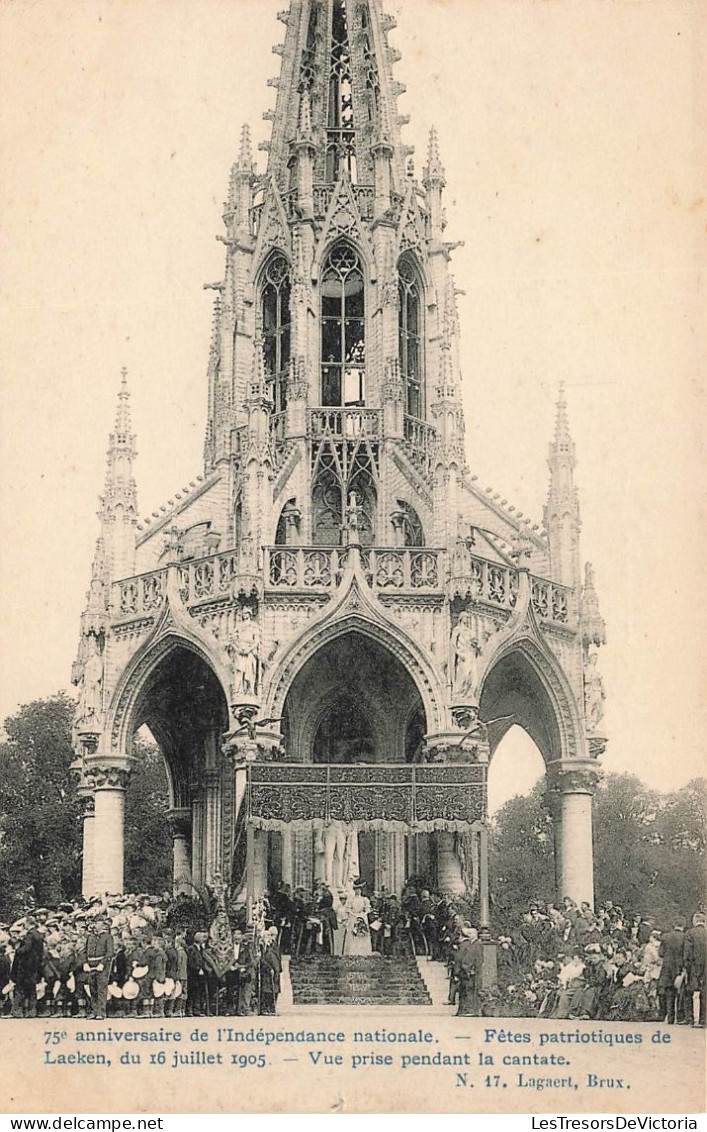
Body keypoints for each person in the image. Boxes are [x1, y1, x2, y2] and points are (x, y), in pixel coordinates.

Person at [10, 918, 44, 1018]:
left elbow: (26, 949)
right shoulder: (39, 935)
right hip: (35, 966)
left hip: (25, 966)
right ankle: (31, 1011)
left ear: (27, 924)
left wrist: (17, 950)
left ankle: (17, 1011)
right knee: (32, 989)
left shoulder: (30, 935)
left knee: (20, 988)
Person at [84, 915, 114, 1020]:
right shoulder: (90, 937)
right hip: (90, 965)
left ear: (102, 923)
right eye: (94, 923)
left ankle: (101, 1012)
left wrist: (102, 963)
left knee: (101, 988)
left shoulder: (107, 937)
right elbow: (84, 951)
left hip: (102, 966)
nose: (95, 925)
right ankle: (94, 1011)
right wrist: (85, 963)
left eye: (97, 922)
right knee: (92, 989)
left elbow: (109, 952)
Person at [658, 916, 686, 1024]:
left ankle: (670, 1017)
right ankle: (680, 1017)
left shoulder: (665, 937)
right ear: (683, 925)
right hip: (680, 967)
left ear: (673, 925)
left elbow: (660, 953)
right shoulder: (685, 937)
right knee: (681, 993)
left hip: (667, 968)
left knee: (669, 991)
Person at [454, 926, 483, 1016]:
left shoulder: (477, 944)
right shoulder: (470, 944)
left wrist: (473, 969)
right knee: (466, 990)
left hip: (471, 971)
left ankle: (471, 1010)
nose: (468, 935)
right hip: (466, 970)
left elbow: (478, 959)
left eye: (470, 934)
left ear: (475, 934)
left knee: (470, 990)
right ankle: (465, 1010)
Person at [684, 912, 707, 1027]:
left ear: (696, 920)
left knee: (690, 991)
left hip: (694, 966)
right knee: (705, 992)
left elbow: (688, 952)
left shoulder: (690, 933)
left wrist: (686, 966)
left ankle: (691, 1018)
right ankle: (704, 1019)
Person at [342, 881, 372, 956]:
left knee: (362, 933)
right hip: (353, 917)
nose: (357, 891)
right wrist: (354, 914)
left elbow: (368, 909)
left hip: (362, 917)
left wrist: (362, 915)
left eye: (359, 889)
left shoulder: (364, 899)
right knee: (353, 933)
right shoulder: (351, 899)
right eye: (356, 889)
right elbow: (348, 909)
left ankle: (363, 952)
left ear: (361, 890)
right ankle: (352, 952)